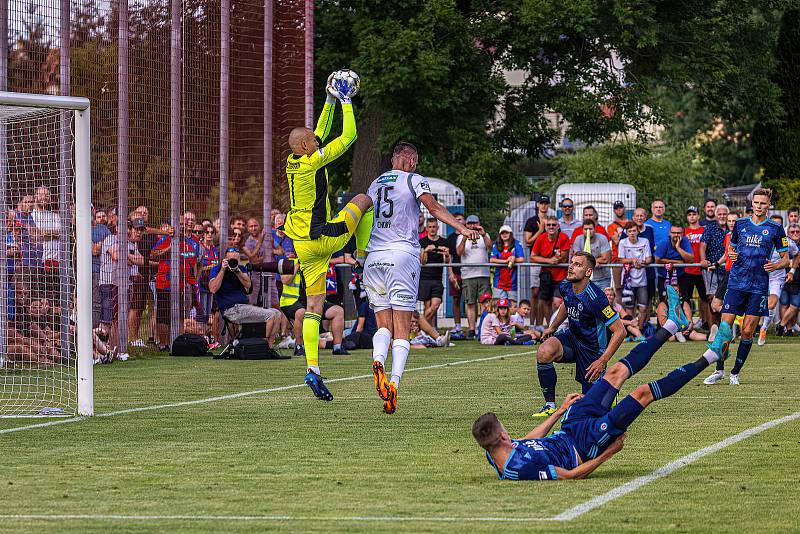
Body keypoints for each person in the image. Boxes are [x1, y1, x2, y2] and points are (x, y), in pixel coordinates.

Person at [472, 300, 731, 481]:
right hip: (586, 443)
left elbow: (528, 441)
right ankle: (711, 355)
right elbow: (572, 475)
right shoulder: (519, 469)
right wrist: (608, 453)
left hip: (571, 425)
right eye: (506, 430)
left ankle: (672, 326)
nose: (509, 433)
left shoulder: (493, 452)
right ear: (502, 436)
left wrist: (560, 410)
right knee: (642, 393)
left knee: (615, 371)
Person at [280, 76, 375, 401]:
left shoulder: (293, 159)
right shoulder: (312, 160)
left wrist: (330, 100)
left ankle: (313, 369)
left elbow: (316, 133)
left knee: (314, 306)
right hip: (322, 236)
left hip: (302, 245)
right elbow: (348, 137)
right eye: (313, 143)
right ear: (305, 148)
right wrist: (347, 99)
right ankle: (362, 257)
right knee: (364, 200)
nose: (318, 143)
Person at [364, 141, 476, 413]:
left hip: (374, 257)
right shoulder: (415, 179)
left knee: (383, 326)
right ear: (412, 161)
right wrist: (462, 227)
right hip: (402, 255)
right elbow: (434, 207)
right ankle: (393, 384)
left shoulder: (375, 183)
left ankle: (378, 359)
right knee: (403, 329)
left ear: (393, 161)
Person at [705, 189, 788, 386]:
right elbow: (731, 248)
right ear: (752, 204)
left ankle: (735, 372)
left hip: (758, 286)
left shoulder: (775, 229)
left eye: (763, 203)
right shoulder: (740, 224)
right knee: (725, 329)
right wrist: (731, 255)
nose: (759, 206)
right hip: (736, 283)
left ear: (769, 205)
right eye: (756, 203)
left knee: (748, 331)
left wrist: (775, 266)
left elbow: (786, 259)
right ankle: (719, 370)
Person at [532, 252, 626, 417]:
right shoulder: (566, 285)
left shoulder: (596, 298)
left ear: (588, 272)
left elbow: (620, 331)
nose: (571, 267)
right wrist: (552, 327)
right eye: (571, 263)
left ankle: (608, 390)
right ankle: (550, 405)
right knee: (544, 351)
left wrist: (602, 360)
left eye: (577, 264)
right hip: (572, 338)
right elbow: (567, 304)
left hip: (592, 349)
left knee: (592, 408)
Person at [209, 247, 280, 343]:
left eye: (235, 260)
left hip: (243, 307)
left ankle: (269, 346)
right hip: (231, 309)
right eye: (230, 260)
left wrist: (237, 271)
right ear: (224, 259)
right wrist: (222, 270)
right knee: (270, 315)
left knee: (277, 313)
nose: (233, 262)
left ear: (239, 260)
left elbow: (248, 285)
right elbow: (213, 289)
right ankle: (263, 346)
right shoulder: (216, 269)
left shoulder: (241, 269)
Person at [279, 262, 348, 356]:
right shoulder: (290, 262)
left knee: (338, 311)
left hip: (314, 301)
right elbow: (284, 280)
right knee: (301, 313)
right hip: (293, 302)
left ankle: (337, 347)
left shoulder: (316, 262)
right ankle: (299, 347)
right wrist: (298, 264)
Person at [757, 214, 798, 345]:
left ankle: (763, 329)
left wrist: (791, 271)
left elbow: (797, 254)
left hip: (776, 278)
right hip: (759, 276)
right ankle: (749, 329)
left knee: (771, 304)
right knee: (754, 304)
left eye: (778, 225)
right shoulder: (760, 237)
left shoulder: (786, 241)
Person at [457, 214, 492, 340]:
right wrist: (465, 238)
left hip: (483, 274)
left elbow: (490, 248)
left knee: (485, 302)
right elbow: (459, 252)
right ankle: (472, 329)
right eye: (470, 224)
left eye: (475, 223)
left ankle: (483, 327)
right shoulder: (461, 236)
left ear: (479, 223)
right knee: (470, 303)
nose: (472, 226)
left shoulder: (484, 235)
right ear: (466, 225)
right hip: (468, 274)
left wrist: (483, 234)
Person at [530, 216, 570, 321]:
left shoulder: (564, 238)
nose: (551, 227)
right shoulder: (541, 238)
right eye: (548, 225)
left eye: (553, 225)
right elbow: (532, 257)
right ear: (545, 227)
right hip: (546, 276)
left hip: (560, 276)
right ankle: (549, 326)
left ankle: (557, 325)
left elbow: (564, 257)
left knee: (556, 303)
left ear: (558, 226)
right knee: (545, 302)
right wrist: (549, 261)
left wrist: (557, 259)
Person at [524, 194, 553, 327]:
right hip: (536, 261)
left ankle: (543, 324)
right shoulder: (531, 221)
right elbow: (528, 241)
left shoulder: (551, 221)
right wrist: (541, 230)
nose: (543, 205)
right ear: (537, 205)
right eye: (541, 203)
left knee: (545, 296)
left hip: (550, 262)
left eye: (546, 203)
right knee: (535, 293)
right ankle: (532, 324)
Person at [617, 221, 652, 330]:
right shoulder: (623, 242)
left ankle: (639, 331)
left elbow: (648, 259)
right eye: (629, 231)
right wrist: (633, 260)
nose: (632, 233)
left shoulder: (645, 241)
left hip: (642, 281)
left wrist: (640, 262)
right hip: (628, 281)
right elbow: (621, 259)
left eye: (634, 230)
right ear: (626, 232)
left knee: (643, 308)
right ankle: (631, 331)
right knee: (629, 308)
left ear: (638, 231)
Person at [699, 203, 728, 327]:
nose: (722, 216)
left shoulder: (732, 228)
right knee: (712, 297)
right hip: (712, 269)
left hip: (728, 269)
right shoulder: (710, 228)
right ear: (716, 215)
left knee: (726, 299)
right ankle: (712, 328)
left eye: (724, 214)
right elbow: (702, 246)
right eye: (719, 214)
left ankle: (724, 326)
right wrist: (703, 260)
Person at [682, 206, 710, 328]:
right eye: (689, 215)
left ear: (698, 216)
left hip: (702, 269)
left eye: (694, 214)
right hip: (688, 269)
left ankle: (705, 322)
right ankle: (688, 323)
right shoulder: (684, 231)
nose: (692, 216)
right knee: (686, 298)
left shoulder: (704, 230)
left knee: (704, 298)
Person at [419, 218, 450, 327]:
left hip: (437, 278)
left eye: (434, 227)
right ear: (427, 228)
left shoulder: (444, 242)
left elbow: (447, 261)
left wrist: (445, 253)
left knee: (435, 305)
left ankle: (418, 326)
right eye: (430, 227)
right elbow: (421, 261)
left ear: (438, 228)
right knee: (428, 307)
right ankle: (428, 332)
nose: (432, 229)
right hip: (424, 278)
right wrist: (426, 250)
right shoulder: (422, 242)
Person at [570, 220, 612, 290]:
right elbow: (577, 259)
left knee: (601, 300)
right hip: (584, 279)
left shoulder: (602, 238)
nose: (588, 231)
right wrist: (593, 263)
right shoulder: (578, 239)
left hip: (603, 278)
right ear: (582, 230)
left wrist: (588, 262)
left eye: (590, 229)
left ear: (595, 229)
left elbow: (605, 258)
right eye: (586, 229)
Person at [655, 226, 693, 300]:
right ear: (669, 233)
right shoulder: (664, 242)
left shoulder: (685, 241)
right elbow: (657, 260)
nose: (676, 235)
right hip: (664, 276)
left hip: (680, 276)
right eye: (674, 233)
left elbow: (691, 260)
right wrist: (677, 262)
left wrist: (678, 248)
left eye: (679, 233)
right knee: (664, 300)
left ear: (683, 234)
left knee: (683, 300)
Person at [490, 225, 525, 302]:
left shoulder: (517, 243)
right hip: (499, 282)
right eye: (502, 233)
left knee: (512, 307)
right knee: (499, 307)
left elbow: (522, 259)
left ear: (510, 233)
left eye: (507, 232)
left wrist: (514, 259)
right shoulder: (496, 244)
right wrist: (505, 261)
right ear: (500, 235)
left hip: (512, 282)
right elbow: (492, 259)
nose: (504, 235)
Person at [607, 200, 631, 302]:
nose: (619, 210)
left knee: (631, 287)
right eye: (616, 208)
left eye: (620, 207)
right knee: (618, 287)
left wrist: (621, 238)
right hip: (616, 259)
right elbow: (617, 242)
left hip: (630, 258)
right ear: (614, 211)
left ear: (624, 209)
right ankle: (621, 311)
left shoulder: (630, 223)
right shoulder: (611, 226)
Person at [447, 212, 465, 339]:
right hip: (456, 272)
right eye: (456, 219)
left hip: (468, 272)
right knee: (456, 299)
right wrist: (451, 273)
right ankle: (457, 326)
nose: (458, 221)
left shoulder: (468, 234)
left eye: (460, 219)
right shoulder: (450, 238)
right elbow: (449, 257)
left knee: (470, 301)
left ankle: (472, 327)